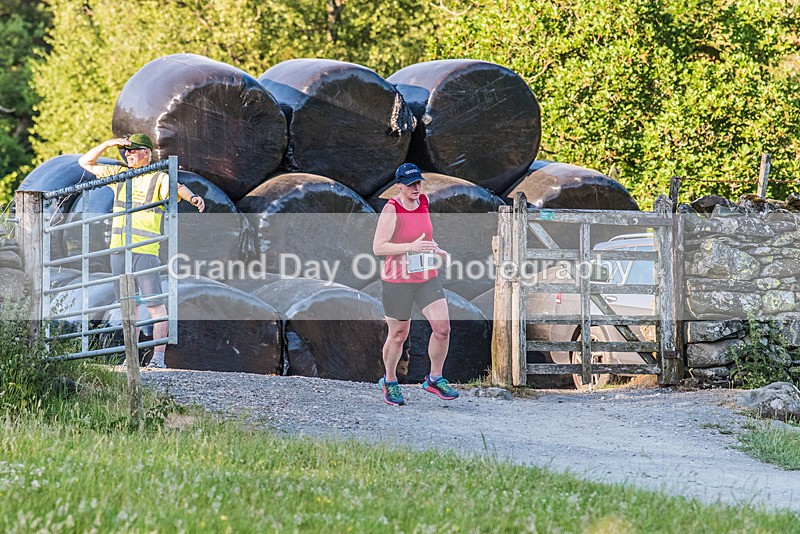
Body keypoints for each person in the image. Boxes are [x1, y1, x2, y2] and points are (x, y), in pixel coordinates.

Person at [79, 134, 205, 369]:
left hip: (144, 251)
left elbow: (178, 188)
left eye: (133, 150)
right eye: (126, 151)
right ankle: (131, 359)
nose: (128, 154)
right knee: (128, 307)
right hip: (118, 251)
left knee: (154, 306)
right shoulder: (119, 175)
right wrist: (108, 144)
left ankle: (158, 359)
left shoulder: (158, 177)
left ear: (146, 152)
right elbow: (85, 163)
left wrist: (194, 198)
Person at [372, 162, 459, 406]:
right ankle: (389, 381)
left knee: (443, 329)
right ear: (399, 185)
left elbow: (424, 237)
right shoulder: (392, 209)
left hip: (425, 276)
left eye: (418, 182)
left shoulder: (423, 203)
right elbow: (378, 247)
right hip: (397, 280)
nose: (416, 187)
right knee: (399, 334)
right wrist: (410, 247)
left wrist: (436, 248)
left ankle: (434, 379)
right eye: (410, 183)